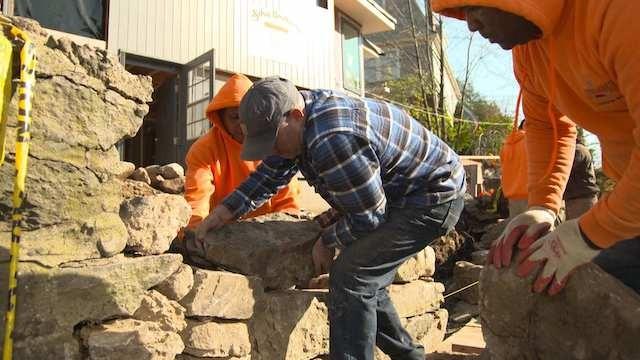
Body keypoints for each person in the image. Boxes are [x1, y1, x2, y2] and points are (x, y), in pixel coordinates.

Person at [196, 77, 466, 360]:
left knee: (352, 275)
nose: (271, 150)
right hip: (399, 193)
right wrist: (223, 212)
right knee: (366, 274)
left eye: (272, 141)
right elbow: (270, 175)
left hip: (432, 197)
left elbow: (370, 215)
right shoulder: (299, 123)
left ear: (295, 115)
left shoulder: (331, 138)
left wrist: (328, 239)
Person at [432, 0, 640, 294]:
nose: (471, 25)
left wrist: (587, 235)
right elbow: (545, 125)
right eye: (462, 13)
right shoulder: (528, 50)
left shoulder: (619, 12)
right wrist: (542, 206)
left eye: (475, 8)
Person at [183, 74, 300, 230]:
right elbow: (198, 199)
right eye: (235, 117)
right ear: (220, 118)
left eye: (248, 116)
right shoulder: (203, 149)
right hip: (222, 231)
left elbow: (287, 200)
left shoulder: (273, 141)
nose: (243, 124)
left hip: (270, 229)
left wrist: (289, 229)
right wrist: (195, 232)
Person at [564, 138, 599, 220]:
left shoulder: (578, 150)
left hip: (582, 199)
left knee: (582, 229)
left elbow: (567, 168)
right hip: (575, 199)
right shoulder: (578, 149)